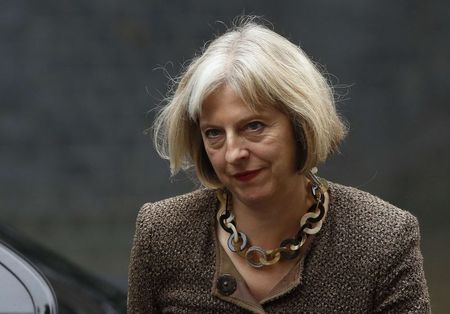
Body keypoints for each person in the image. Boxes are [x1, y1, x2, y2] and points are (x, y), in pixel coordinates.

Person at [127, 17, 430, 313]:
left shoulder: (384, 238)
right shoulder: (162, 233)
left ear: (300, 125)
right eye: (214, 133)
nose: (233, 153)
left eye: (254, 126)